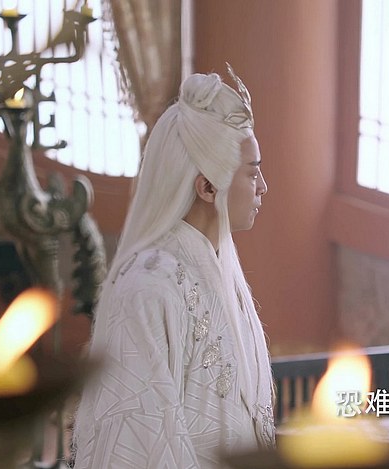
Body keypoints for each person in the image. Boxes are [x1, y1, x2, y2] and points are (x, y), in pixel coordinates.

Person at [71, 66, 274, 468]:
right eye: (252, 172)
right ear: (207, 187)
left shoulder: (216, 270)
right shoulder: (147, 286)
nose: (263, 186)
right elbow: (136, 438)